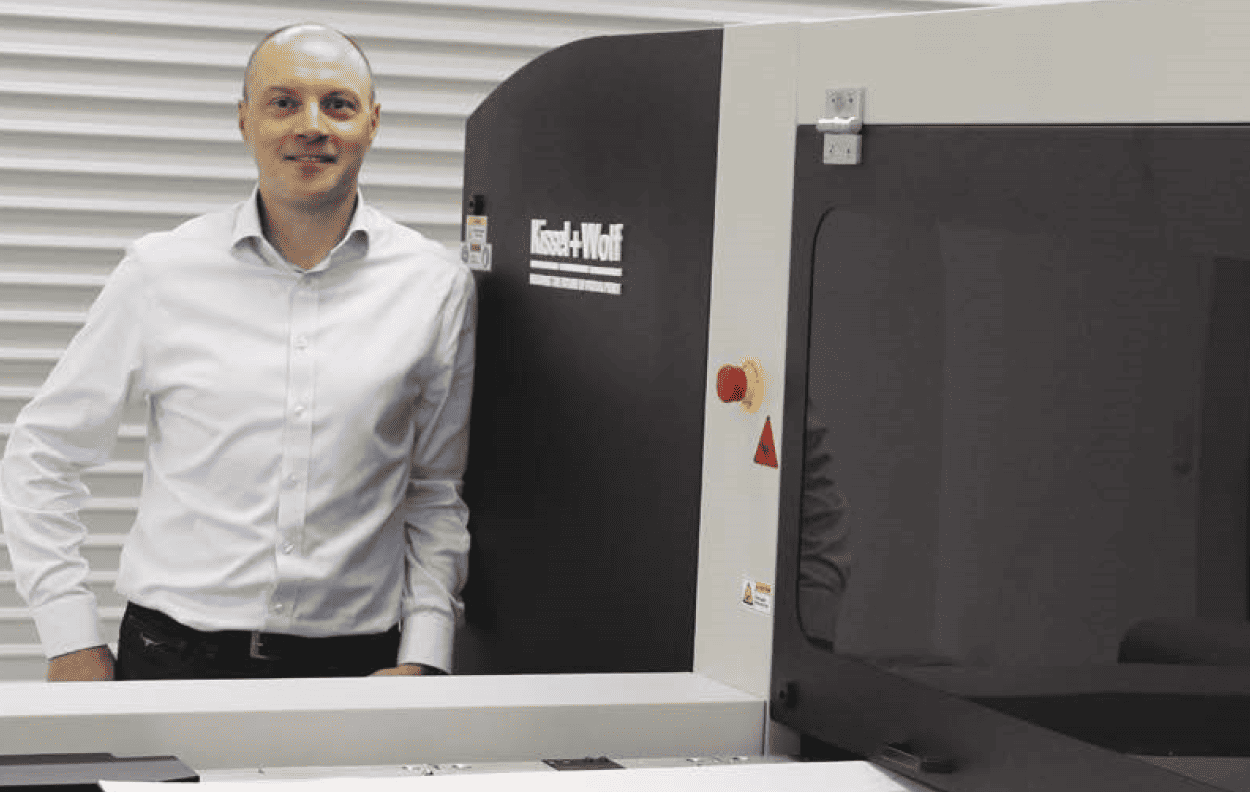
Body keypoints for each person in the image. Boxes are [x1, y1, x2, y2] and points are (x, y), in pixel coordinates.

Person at [0, 23, 475, 681]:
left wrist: (425, 654)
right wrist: (68, 636)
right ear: (245, 119)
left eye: (338, 104)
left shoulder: (435, 285)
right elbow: (43, 453)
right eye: (284, 103)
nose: (312, 125)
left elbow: (435, 490)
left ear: (372, 123)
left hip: (358, 670)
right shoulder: (160, 272)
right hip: (171, 661)